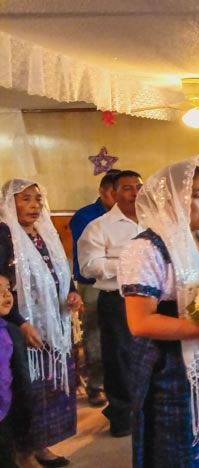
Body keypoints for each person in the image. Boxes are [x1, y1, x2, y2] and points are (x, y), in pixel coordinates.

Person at [118, 157, 199, 467]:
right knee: (179, 445)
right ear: (170, 200)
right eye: (197, 195)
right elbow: (140, 322)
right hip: (168, 367)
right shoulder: (146, 248)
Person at [0, 179, 82, 468]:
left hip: (52, 325)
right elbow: (1, 287)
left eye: (37, 199)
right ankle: (22, 452)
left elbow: (60, 270)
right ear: (9, 203)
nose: (34, 205)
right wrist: (20, 323)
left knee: (49, 388)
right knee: (25, 390)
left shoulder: (45, 232)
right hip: (17, 325)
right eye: (25, 199)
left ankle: (42, 445)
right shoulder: (4, 235)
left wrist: (72, 292)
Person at [77, 170, 144, 437]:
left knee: (149, 355)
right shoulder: (99, 227)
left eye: (139, 186)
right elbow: (89, 266)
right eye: (127, 188)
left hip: (153, 299)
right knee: (118, 359)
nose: (135, 193)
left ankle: (145, 409)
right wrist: (129, 264)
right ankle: (121, 415)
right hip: (117, 300)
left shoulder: (155, 222)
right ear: (113, 193)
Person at [69, 169, 119, 408]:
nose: (120, 197)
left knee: (123, 335)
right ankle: (96, 386)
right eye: (114, 192)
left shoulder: (134, 215)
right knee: (95, 336)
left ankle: (118, 384)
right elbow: (92, 257)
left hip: (123, 283)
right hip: (93, 284)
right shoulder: (85, 216)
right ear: (102, 191)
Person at [0, 271, 31, 467]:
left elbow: (19, 375)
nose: (6, 294)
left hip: (7, 408)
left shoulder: (10, 331)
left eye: (8, 289)